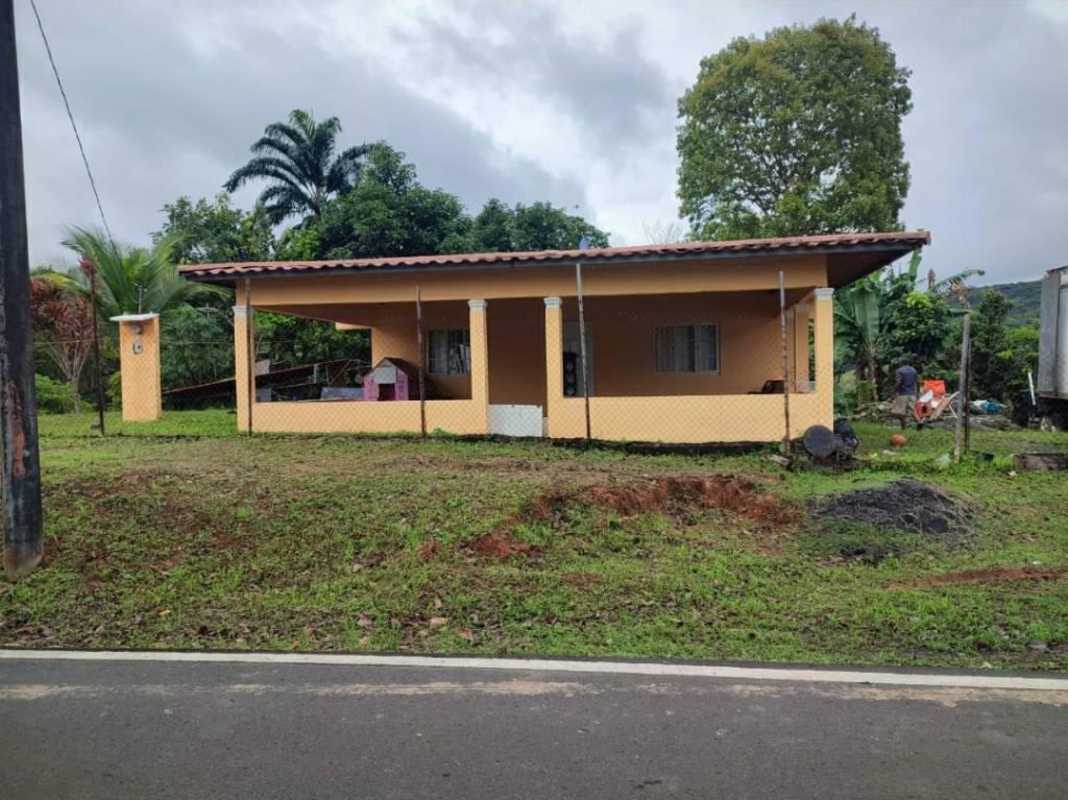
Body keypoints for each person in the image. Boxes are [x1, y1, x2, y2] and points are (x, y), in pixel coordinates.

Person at [892, 363, 919, 430]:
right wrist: (917, 393)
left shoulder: (899, 370)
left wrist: (894, 391)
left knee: (900, 413)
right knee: (913, 412)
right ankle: (919, 423)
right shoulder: (914, 370)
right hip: (912, 394)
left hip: (903, 394)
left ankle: (903, 428)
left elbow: (898, 382)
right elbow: (917, 382)